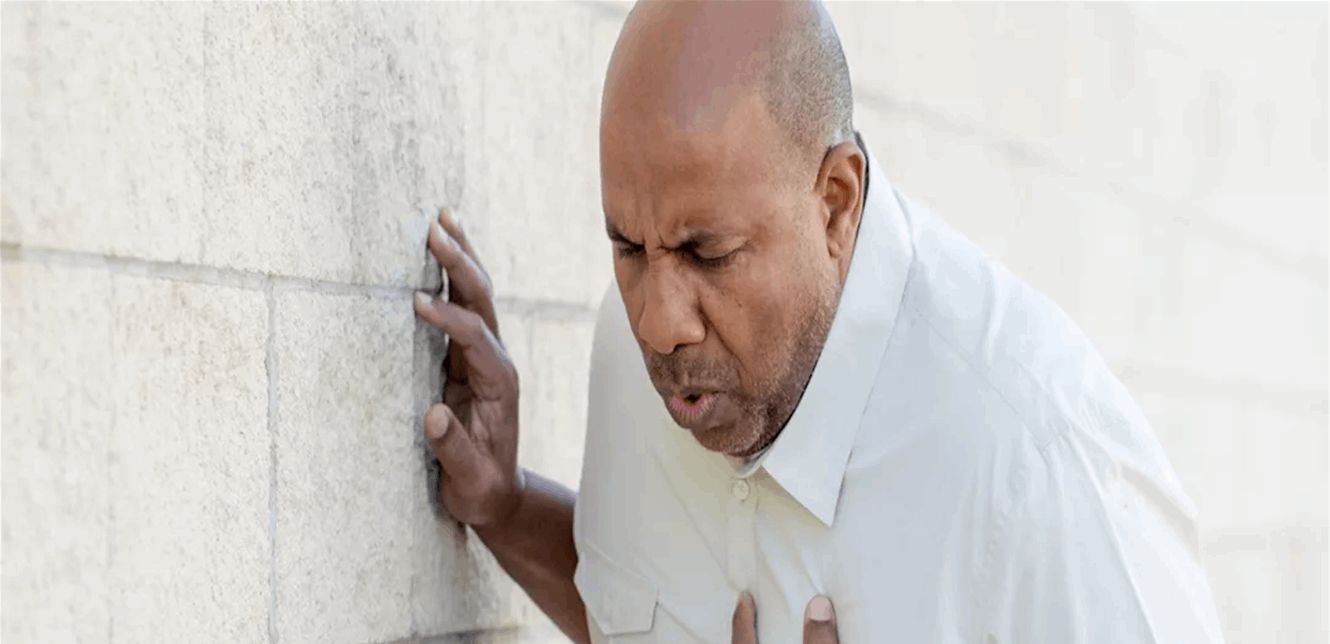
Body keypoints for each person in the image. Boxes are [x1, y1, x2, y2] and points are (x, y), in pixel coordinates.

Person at [412, 1, 1225, 642]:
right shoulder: (634, 355)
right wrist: (506, 508)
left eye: (707, 252)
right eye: (627, 246)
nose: (658, 323)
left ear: (834, 202)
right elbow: (637, 602)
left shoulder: (1042, 470)